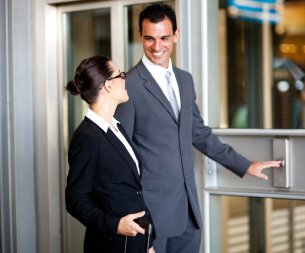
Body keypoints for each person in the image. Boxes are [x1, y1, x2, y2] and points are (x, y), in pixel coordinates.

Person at [115, 3, 282, 253]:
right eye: (149, 38)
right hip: (151, 213)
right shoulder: (129, 84)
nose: (157, 46)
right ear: (140, 36)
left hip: (188, 210)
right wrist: (129, 217)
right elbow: (120, 154)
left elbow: (198, 133)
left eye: (164, 38)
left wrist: (245, 164)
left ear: (176, 35)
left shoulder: (184, 80)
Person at [65, 55, 155, 253]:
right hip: (111, 246)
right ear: (107, 86)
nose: (125, 78)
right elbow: (75, 200)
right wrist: (114, 225)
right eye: (120, 75)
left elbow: (130, 192)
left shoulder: (116, 127)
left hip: (136, 242)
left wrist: (147, 244)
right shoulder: (87, 138)